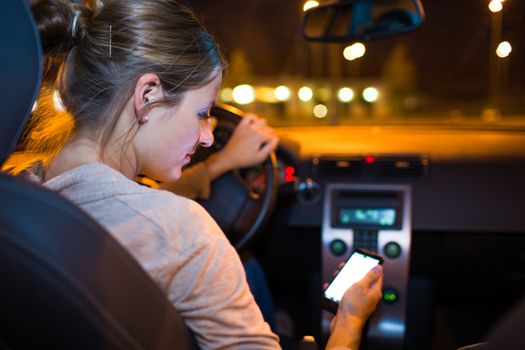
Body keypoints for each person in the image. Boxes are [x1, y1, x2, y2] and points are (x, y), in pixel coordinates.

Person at [5, 0, 383, 348]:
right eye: (203, 113)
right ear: (148, 95)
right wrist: (349, 321)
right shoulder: (180, 230)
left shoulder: (16, 193)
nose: (207, 137)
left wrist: (221, 165)